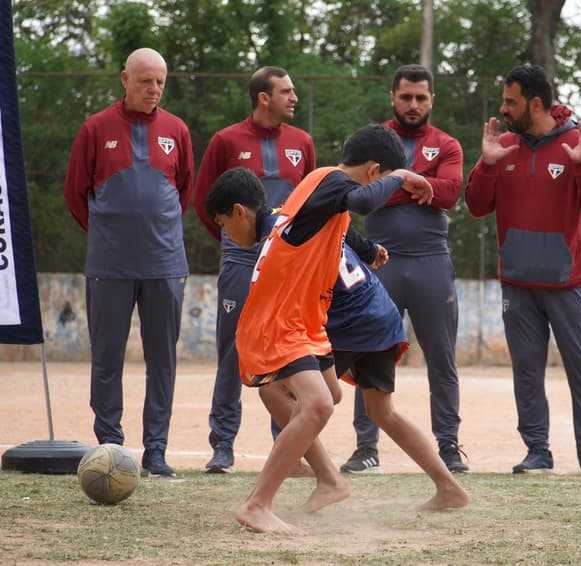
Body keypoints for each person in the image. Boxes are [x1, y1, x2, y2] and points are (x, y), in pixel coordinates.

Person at [205, 167, 468, 526]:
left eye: (223, 225)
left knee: (280, 394)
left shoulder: (279, 233)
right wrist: (370, 248)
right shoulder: (294, 215)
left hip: (344, 321)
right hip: (378, 311)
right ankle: (449, 487)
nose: (227, 236)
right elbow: (343, 229)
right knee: (379, 411)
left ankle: (324, 479)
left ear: (239, 211)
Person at [464, 64, 581, 479]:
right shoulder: (504, 144)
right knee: (526, 371)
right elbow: (476, 206)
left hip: (569, 284)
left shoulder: (578, 143)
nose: (503, 108)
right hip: (518, 284)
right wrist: (488, 163)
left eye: (510, 101)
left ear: (535, 103)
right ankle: (537, 451)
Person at [63, 48, 194, 477]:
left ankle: (156, 451)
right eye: (145, 81)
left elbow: (184, 192)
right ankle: (110, 449)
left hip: (165, 264)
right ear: (124, 79)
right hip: (110, 267)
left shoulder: (177, 129)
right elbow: (75, 193)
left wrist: (158, 232)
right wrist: (109, 236)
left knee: (163, 361)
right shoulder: (95, 128)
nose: (153, 89)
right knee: (107, 360)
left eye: (160, 82)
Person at [343, 64, 467, 475]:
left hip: (432, 262)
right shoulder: (374, 139)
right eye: (406, 97)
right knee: (368, 353)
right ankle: (366, 448)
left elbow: (449, 193)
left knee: (442, 357)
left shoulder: (447, 144)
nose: (413, 105)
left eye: (421, 98)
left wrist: (394, 183)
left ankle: (448, 446)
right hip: (381, 261)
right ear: (393, 97)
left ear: (432, 100)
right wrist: (416, 184)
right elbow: (362, 195)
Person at [192, 66, 316, 473]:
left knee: (290, 353)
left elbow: (309, 203)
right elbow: (205, 202)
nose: (293, 97)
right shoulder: (226, 140)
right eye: (286, 91)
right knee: (233, 353)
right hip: (241, 262)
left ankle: (287, 445)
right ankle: (222, 445)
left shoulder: (302, 142)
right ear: (264, 97)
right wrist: (235, 242)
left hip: (287, 266)